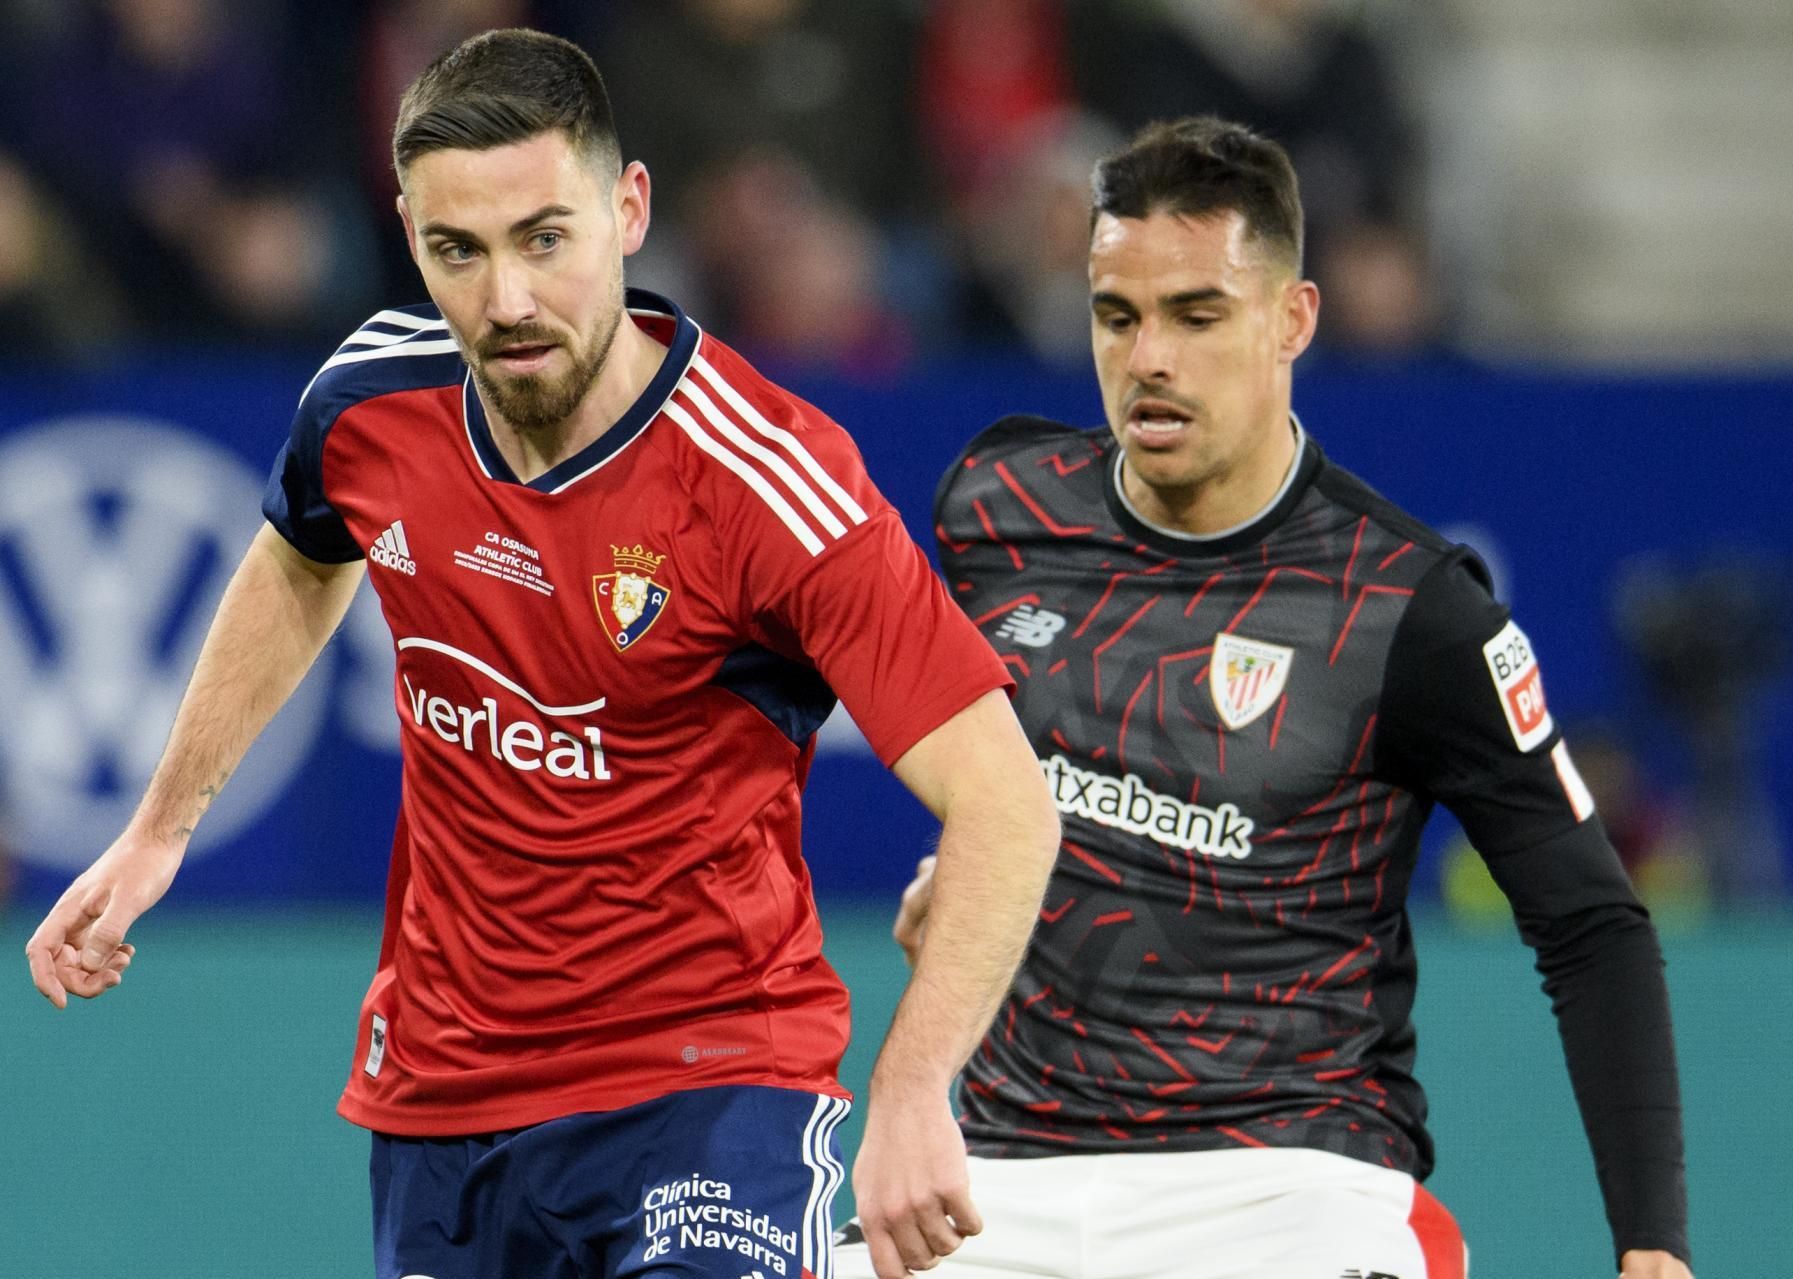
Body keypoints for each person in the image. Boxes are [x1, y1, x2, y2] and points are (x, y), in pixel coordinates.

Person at [25, 29, 1060, 1279]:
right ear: (409, 235)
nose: (506, 300)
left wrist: (911, 1092)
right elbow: (302, 555)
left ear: (627, 210)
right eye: (459, 250)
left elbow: (1006, 801)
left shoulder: (773, 486)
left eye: (543, 239)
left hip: (710, 1087)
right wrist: (161, 827)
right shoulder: (366, 403)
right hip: (443, 1099)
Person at [847, 118, 1692, 1278]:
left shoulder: (1412, 606)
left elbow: (1591, 923)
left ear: (1291, 320)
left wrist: (1653, 1247)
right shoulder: (997, 505)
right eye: (1116, 316)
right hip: (1005, 1184)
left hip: (1289, 1182)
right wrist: (980, 869)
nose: (1149, 358)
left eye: (1197, 315)